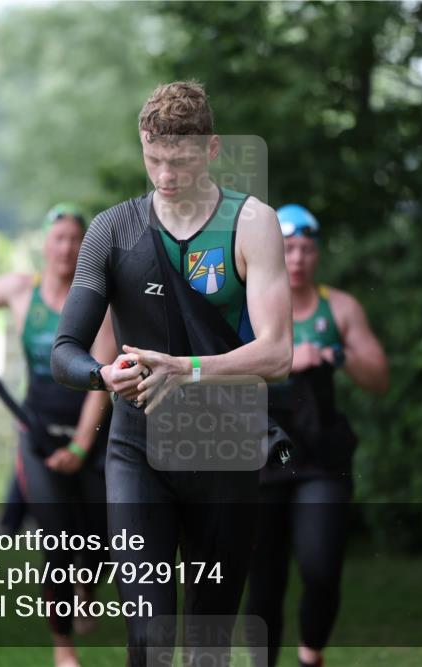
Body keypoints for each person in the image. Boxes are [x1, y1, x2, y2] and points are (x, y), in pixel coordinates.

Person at [51, 81, 293, 666]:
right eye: (153, 159)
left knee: (207, 648)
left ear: (211, 149)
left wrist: (185, 369)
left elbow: (278, 354)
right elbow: (65, 350)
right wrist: (102, 375)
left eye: (179, 161)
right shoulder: (111, 230)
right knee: (150, 638)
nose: (164, 175)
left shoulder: (252, 223)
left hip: (225, 449)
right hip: (138, 450)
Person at [246, 204, 388, 667]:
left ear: (317, 254)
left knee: (320, 567)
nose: (298, 258)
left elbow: (379, 378)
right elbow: (218, 378)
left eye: (307, 249)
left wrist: (335, 356)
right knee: (264, 580)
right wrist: (287, 359)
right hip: (260, 458)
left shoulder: (339, 306)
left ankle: (311, 654)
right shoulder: (246, 306)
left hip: (320, 461)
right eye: (288, 248)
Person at [0, 203, 116, 667]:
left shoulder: (100, 300)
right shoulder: (21, 290)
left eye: (76, 239)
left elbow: (102, 379)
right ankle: (62, 646)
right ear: (45, 244)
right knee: (57, 540)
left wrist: (81, 445)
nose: (67, 247)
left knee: (100, 537)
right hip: (37, 431)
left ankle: (86, 587)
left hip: (92, 432)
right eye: (59, 238)